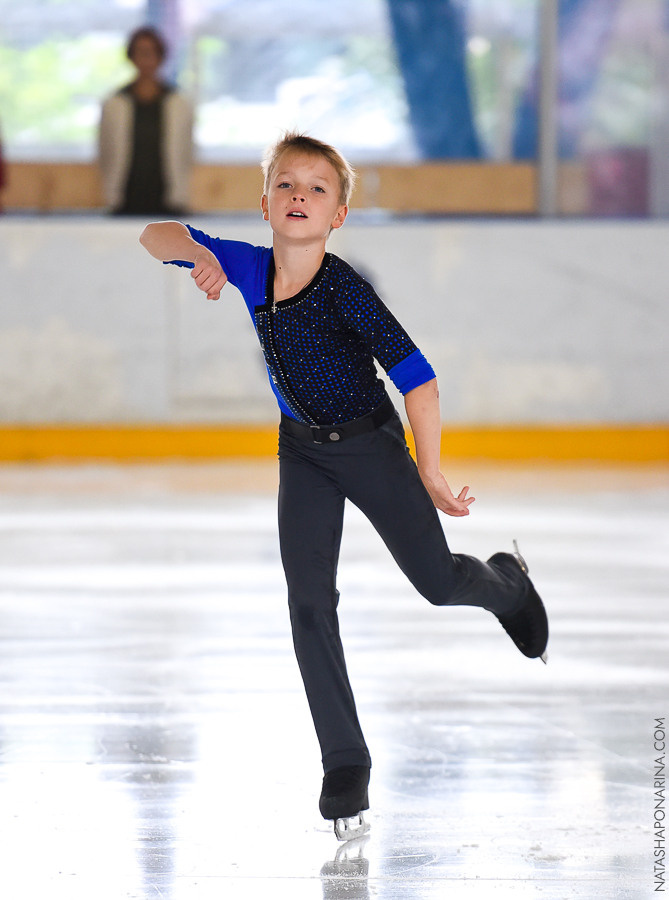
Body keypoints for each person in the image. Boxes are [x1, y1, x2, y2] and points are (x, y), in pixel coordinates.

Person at [139, 132, 549, 840]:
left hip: (370, 446)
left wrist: (428, 469)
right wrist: (198, 252)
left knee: (438, 582)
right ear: (264, 202)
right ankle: (345, 762)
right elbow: (154, 234)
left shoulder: (345, 290)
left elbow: (417, 379)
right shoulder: (246, 265)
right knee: (307, 603)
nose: (300, 195)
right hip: (301, 454)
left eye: (317, 188)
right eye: (286, 184)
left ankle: (506, 585)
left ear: (338, 217)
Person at [99, 26, 193, 216]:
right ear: (131, 57)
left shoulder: (179, 103)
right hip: (125, 199)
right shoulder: (114, 103)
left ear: (161, 57)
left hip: (168, 201)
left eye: (152, 53)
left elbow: (187, 152)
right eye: (141, 53)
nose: (147, 59)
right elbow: (105, 152)